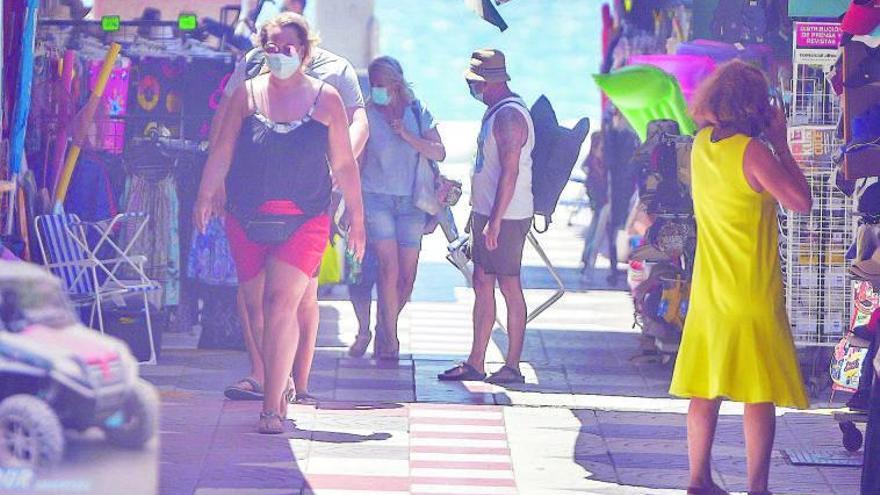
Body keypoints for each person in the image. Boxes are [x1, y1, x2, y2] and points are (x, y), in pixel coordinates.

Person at [194, 12, 365, 434]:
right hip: (246, 215)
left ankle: (272, 407)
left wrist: (357, 218)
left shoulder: (327, 99)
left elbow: (344, 163)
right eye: (270, 48)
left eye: (287, 48)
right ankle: (278, 379)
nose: (278, 55)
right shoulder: (245, 96)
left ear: (304, 52)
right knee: (254, 308)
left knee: (279, 304)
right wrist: (205, 192)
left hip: (304, 217)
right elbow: (223, 148)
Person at [668, 60, 812, 495]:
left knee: (704, 387)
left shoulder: (700, 146)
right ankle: (757, 487)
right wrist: (782, 145)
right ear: (754, 105)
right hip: (751, 287)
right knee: (757, 389)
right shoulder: (754, 152)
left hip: (710, 288)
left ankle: (698, 480)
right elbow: (800, 202)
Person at [438, 49, 533, 385]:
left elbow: (509, 174)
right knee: (482, 282)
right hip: (488, 212)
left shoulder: (509, 117)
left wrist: (495, 220)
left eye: (472, 82)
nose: (470, 88)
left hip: (505, 215)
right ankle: (476, 360)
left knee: (508, 284)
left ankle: (512, 365)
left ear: (487, 83)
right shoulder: (497, 113)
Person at [348, 56, 445, 360]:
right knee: (388, 269)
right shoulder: (366, 115)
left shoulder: (418, 111)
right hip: (376, 197)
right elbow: (357, 160)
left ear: (395, 84)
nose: (376, 90)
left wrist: (407, 135)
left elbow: (439, 152)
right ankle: (390, 341)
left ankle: (384, 325)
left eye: (381, 85)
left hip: (412, 201)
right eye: (373, 85)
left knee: (408, 276)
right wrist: (349, 205)